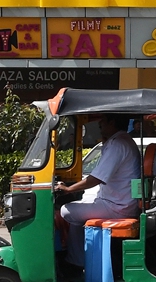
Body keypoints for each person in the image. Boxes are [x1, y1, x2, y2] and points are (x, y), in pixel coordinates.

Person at [56, 113, 141, 268]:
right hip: (117, 203)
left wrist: (68, 189)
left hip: (117, 207)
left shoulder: (118, 144)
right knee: (76, 211)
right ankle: (76, 259)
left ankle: (76, 261)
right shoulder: (119, 141)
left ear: (112, 122)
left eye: (103, 120)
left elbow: (97, 178)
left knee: (66, 210)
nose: (100, 124)